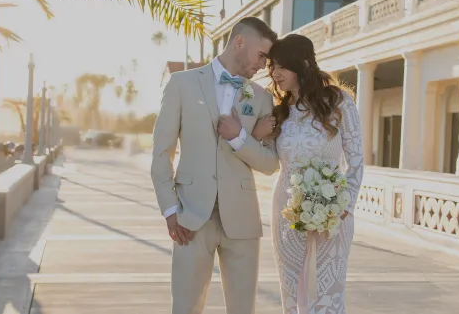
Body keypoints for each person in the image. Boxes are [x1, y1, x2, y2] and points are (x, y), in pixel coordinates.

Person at [150, 16, 280, 314]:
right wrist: (170, 211)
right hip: (191, 217)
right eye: (261, 55)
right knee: (185, 307)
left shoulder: (262, 98)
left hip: (243, 221)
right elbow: (161, 154)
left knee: (242, 309)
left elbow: (271, 163)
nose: (263, 65)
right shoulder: (181, 83)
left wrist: (240, 138)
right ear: (239, 43)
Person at [249, 34, 364, 314]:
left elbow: (356, 160)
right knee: (292, 292)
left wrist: (344, 206)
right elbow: (268, 161)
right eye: (272, 66)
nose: (275, 73)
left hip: (333, 212)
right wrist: (257, 134)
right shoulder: (281, 110)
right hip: (287, 210)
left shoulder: (339, 102)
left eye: (281, 66)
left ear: (302, 63)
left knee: (327, 292)